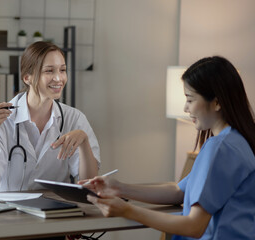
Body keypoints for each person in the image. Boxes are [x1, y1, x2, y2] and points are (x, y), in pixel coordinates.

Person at [83, 56, 255, 239]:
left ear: (217, 102)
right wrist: (119, 188)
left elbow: (194, 226)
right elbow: (179, 192)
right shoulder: (236, 141)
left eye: (190, 99)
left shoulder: (220, 148)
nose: (185, 108)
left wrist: (127, 210)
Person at [0, 41, 100, 193]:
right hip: (7, 212)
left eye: (62, 70)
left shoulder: (74, 119)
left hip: (54, 212)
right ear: (27, 78)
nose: (59, 78)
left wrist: (84, 142)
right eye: (49, 71)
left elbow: (89, 184)